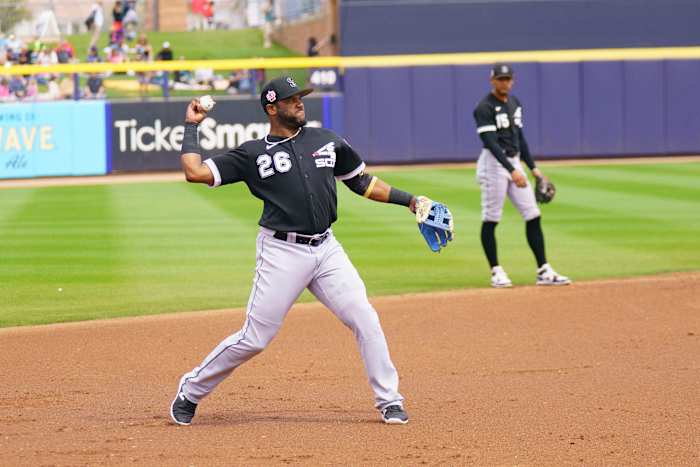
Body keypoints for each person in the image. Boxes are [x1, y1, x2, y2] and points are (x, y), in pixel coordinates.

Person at [169, 76, 450, 426]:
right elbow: (194, 172)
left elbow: (362, 183)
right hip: (281, 253)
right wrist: (191, 126)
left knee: (365, 318)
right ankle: (191, 390)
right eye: (291, 99)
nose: (300, 103)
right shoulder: (252, 153)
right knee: (254, 339)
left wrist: (411, 201)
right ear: (272, 108)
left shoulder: (326, 140)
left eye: (300, 97)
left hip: (327, 249)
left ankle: (389, 400)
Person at [473, 63, 571, 288]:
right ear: (492, 81)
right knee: (491, 217)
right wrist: (512, 170)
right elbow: (490, 142)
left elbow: (520, 138)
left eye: (508, 79)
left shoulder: (515, 103)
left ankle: (543, 270)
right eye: (500, 79)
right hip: (493, 164)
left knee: (533, 214)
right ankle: (496, 271)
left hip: (514, 161)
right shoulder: (484, 107)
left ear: (513, 80)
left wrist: (533, 168)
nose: (504, 82)